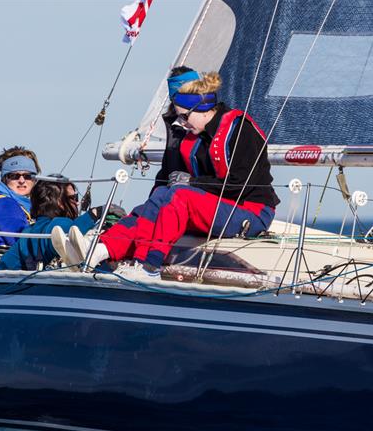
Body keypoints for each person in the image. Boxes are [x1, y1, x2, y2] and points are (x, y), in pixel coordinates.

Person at [56, 71, 280, 280]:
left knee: (180, 195)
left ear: (202, 108)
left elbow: (240, 184)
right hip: (216, 207)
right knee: (160, 196)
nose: (181, 123)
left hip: (250, 211)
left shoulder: (240, 129)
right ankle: (100, 250)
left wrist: (191, 181)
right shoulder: (192, 135)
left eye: (184, 117)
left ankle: (149, 265)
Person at [0, 177, 124, 271]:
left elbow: (4, 265)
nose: (78, 203)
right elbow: (68, 233)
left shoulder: (28, 232)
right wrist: (95, 213)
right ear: (59, 202)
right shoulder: (58, 224)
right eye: (73, 199)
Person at [0, 146, 40, 269]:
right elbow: (24, 245)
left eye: (28, 176)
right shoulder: (5, 205)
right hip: (3, 279)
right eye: (14, 176)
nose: (22, 180)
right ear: (5, 178)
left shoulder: (24, 207)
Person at [149, 66, 201, 193]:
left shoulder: (215, 125)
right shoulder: (174, 127)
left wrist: (192, 182)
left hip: (203, 198)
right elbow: (165, 175)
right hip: (174, 198)